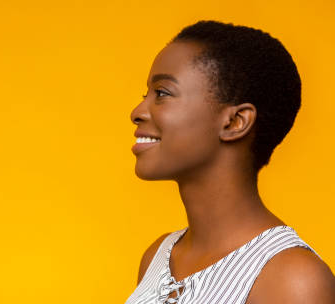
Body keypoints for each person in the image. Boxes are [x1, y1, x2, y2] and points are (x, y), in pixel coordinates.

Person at [124, 20, 335, 304]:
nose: (137, 112)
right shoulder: (157, 257)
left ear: (235, 121)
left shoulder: (292, 280)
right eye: (145, 95)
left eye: (162, 93)